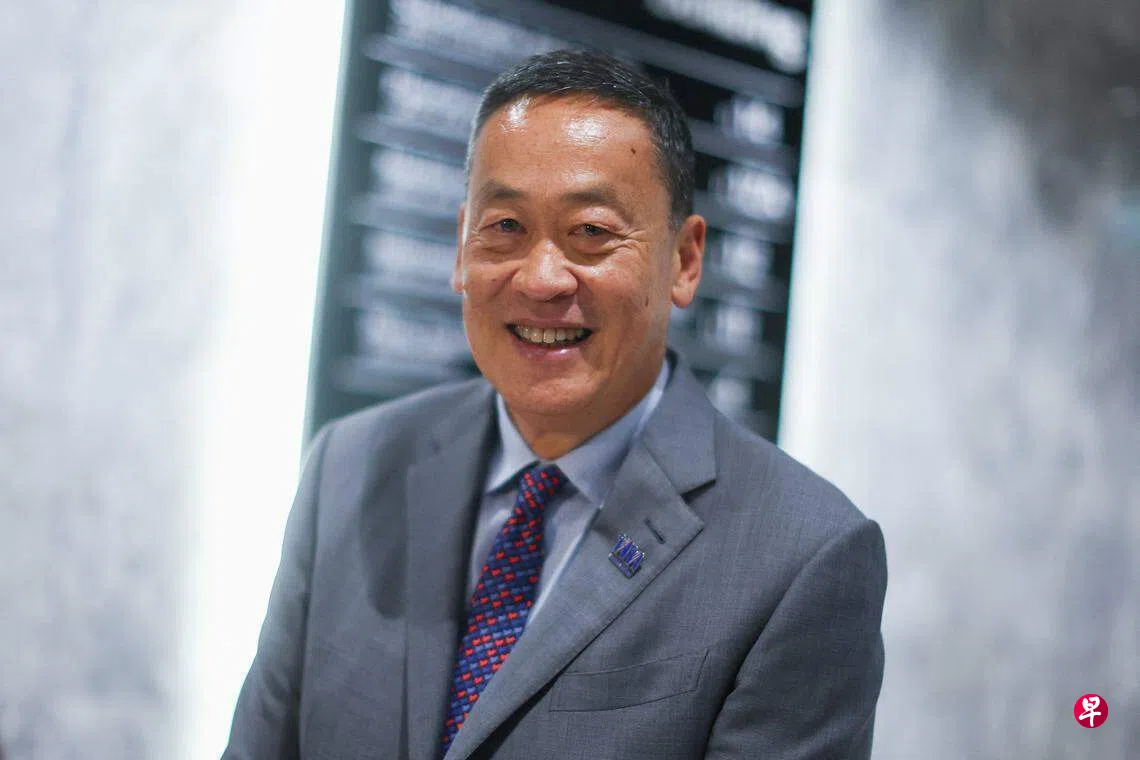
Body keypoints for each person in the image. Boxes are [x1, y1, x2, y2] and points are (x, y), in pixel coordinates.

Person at [223, 50, 887, 760]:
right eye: (506, 226)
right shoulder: (349, 468)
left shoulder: (801, 557)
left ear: (685, 259)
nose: (541, 279)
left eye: (592, 233)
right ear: (461, 246)